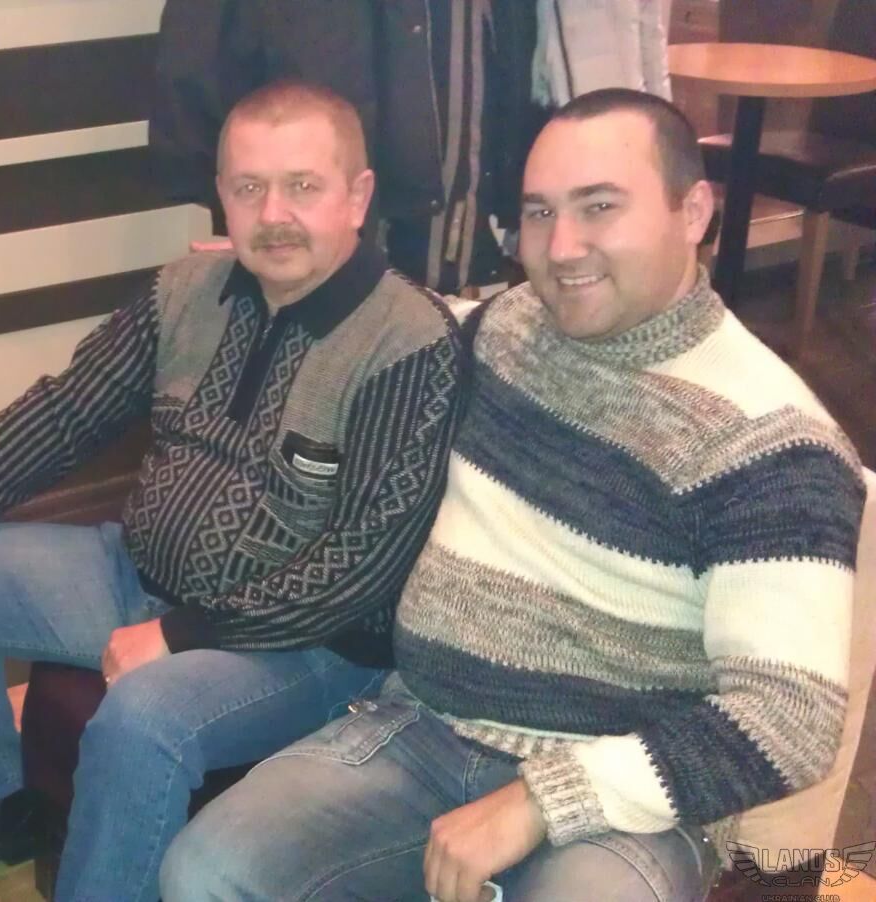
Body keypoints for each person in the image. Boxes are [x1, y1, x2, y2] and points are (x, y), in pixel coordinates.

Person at [161, 88, 867, 902]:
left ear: (693, 211)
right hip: (423, 731)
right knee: (206, 869)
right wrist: (288, 266)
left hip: (623, 808)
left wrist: (543, 799)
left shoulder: (772, 443)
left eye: (599, 207)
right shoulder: (509, 327)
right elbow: (400, 322)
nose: (561, 247)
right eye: (539, 212)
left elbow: (791, 719)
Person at [0, 80, 465, 901]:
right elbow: (65, 414)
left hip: (304, 648)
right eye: (249, 188)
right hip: (134, 574)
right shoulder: (184, 291)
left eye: (302, 186)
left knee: (142, 719)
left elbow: (360, 570)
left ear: (357, 197)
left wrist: (181, 636)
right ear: (220, 194)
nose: (274, 214)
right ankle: (1, 802)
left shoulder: (409, 343)